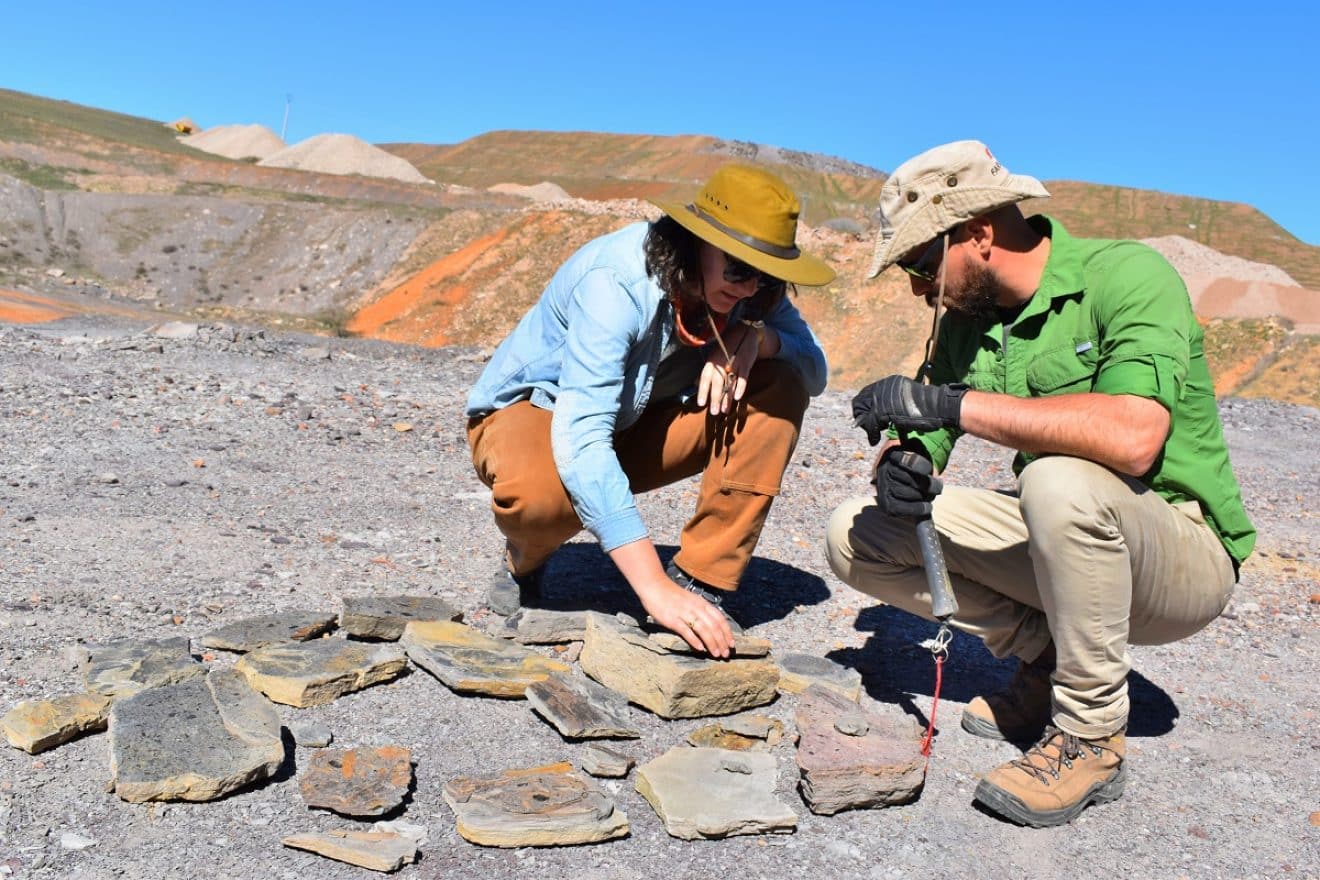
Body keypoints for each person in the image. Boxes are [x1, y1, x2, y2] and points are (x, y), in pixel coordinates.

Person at [826, 140, 1255, 826]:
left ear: (977, 233)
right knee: (855, 535)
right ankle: (1052, 662)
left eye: (920, 263)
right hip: (1073, 539)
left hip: (1181, 558)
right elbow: (927, 427)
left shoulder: (1129, 276)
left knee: (1058, 481)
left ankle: (1089, 737)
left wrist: (950, 407)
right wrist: (907, 462)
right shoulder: (967, 318)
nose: (916, 287)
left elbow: (1134, 439)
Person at [466, 164, 835, 657]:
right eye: (740, 270)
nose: (750, 289)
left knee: (781, 382)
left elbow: (814, 371)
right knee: (541, 500)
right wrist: (653, 588)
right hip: (539, 412)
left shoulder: (752, 296)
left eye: (766, 278)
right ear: (693, 244)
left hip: (632, 423)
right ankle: (524, 561)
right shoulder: (615, 282)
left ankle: (703, 583)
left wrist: (757, 338)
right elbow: (581, 439)